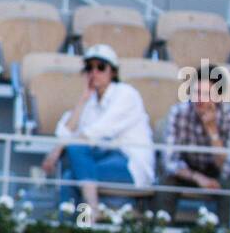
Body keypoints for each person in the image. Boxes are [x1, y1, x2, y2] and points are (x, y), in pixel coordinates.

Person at [40, 44, 155, 209]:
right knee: (70, 174)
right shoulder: (90, 102)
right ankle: (81, 224)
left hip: (131, 165)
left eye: (100, 67)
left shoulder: (126, 94)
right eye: (89, 68)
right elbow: (65, 131)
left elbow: (99, 131)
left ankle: (88, 215)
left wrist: (57, 151)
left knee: (73, 172)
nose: (94, 73)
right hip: (103, 159)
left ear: (113, 72)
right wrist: (83, 99)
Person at [154, 64, 230, 221]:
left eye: (207, 94)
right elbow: (169, 161)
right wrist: (197, 177)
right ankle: (160, 230)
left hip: (217, 171)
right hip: (188, 170)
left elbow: (228, 167)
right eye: (196, 92)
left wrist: (212, 131)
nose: (199, 99)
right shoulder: (178, 113)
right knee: (166, 180)